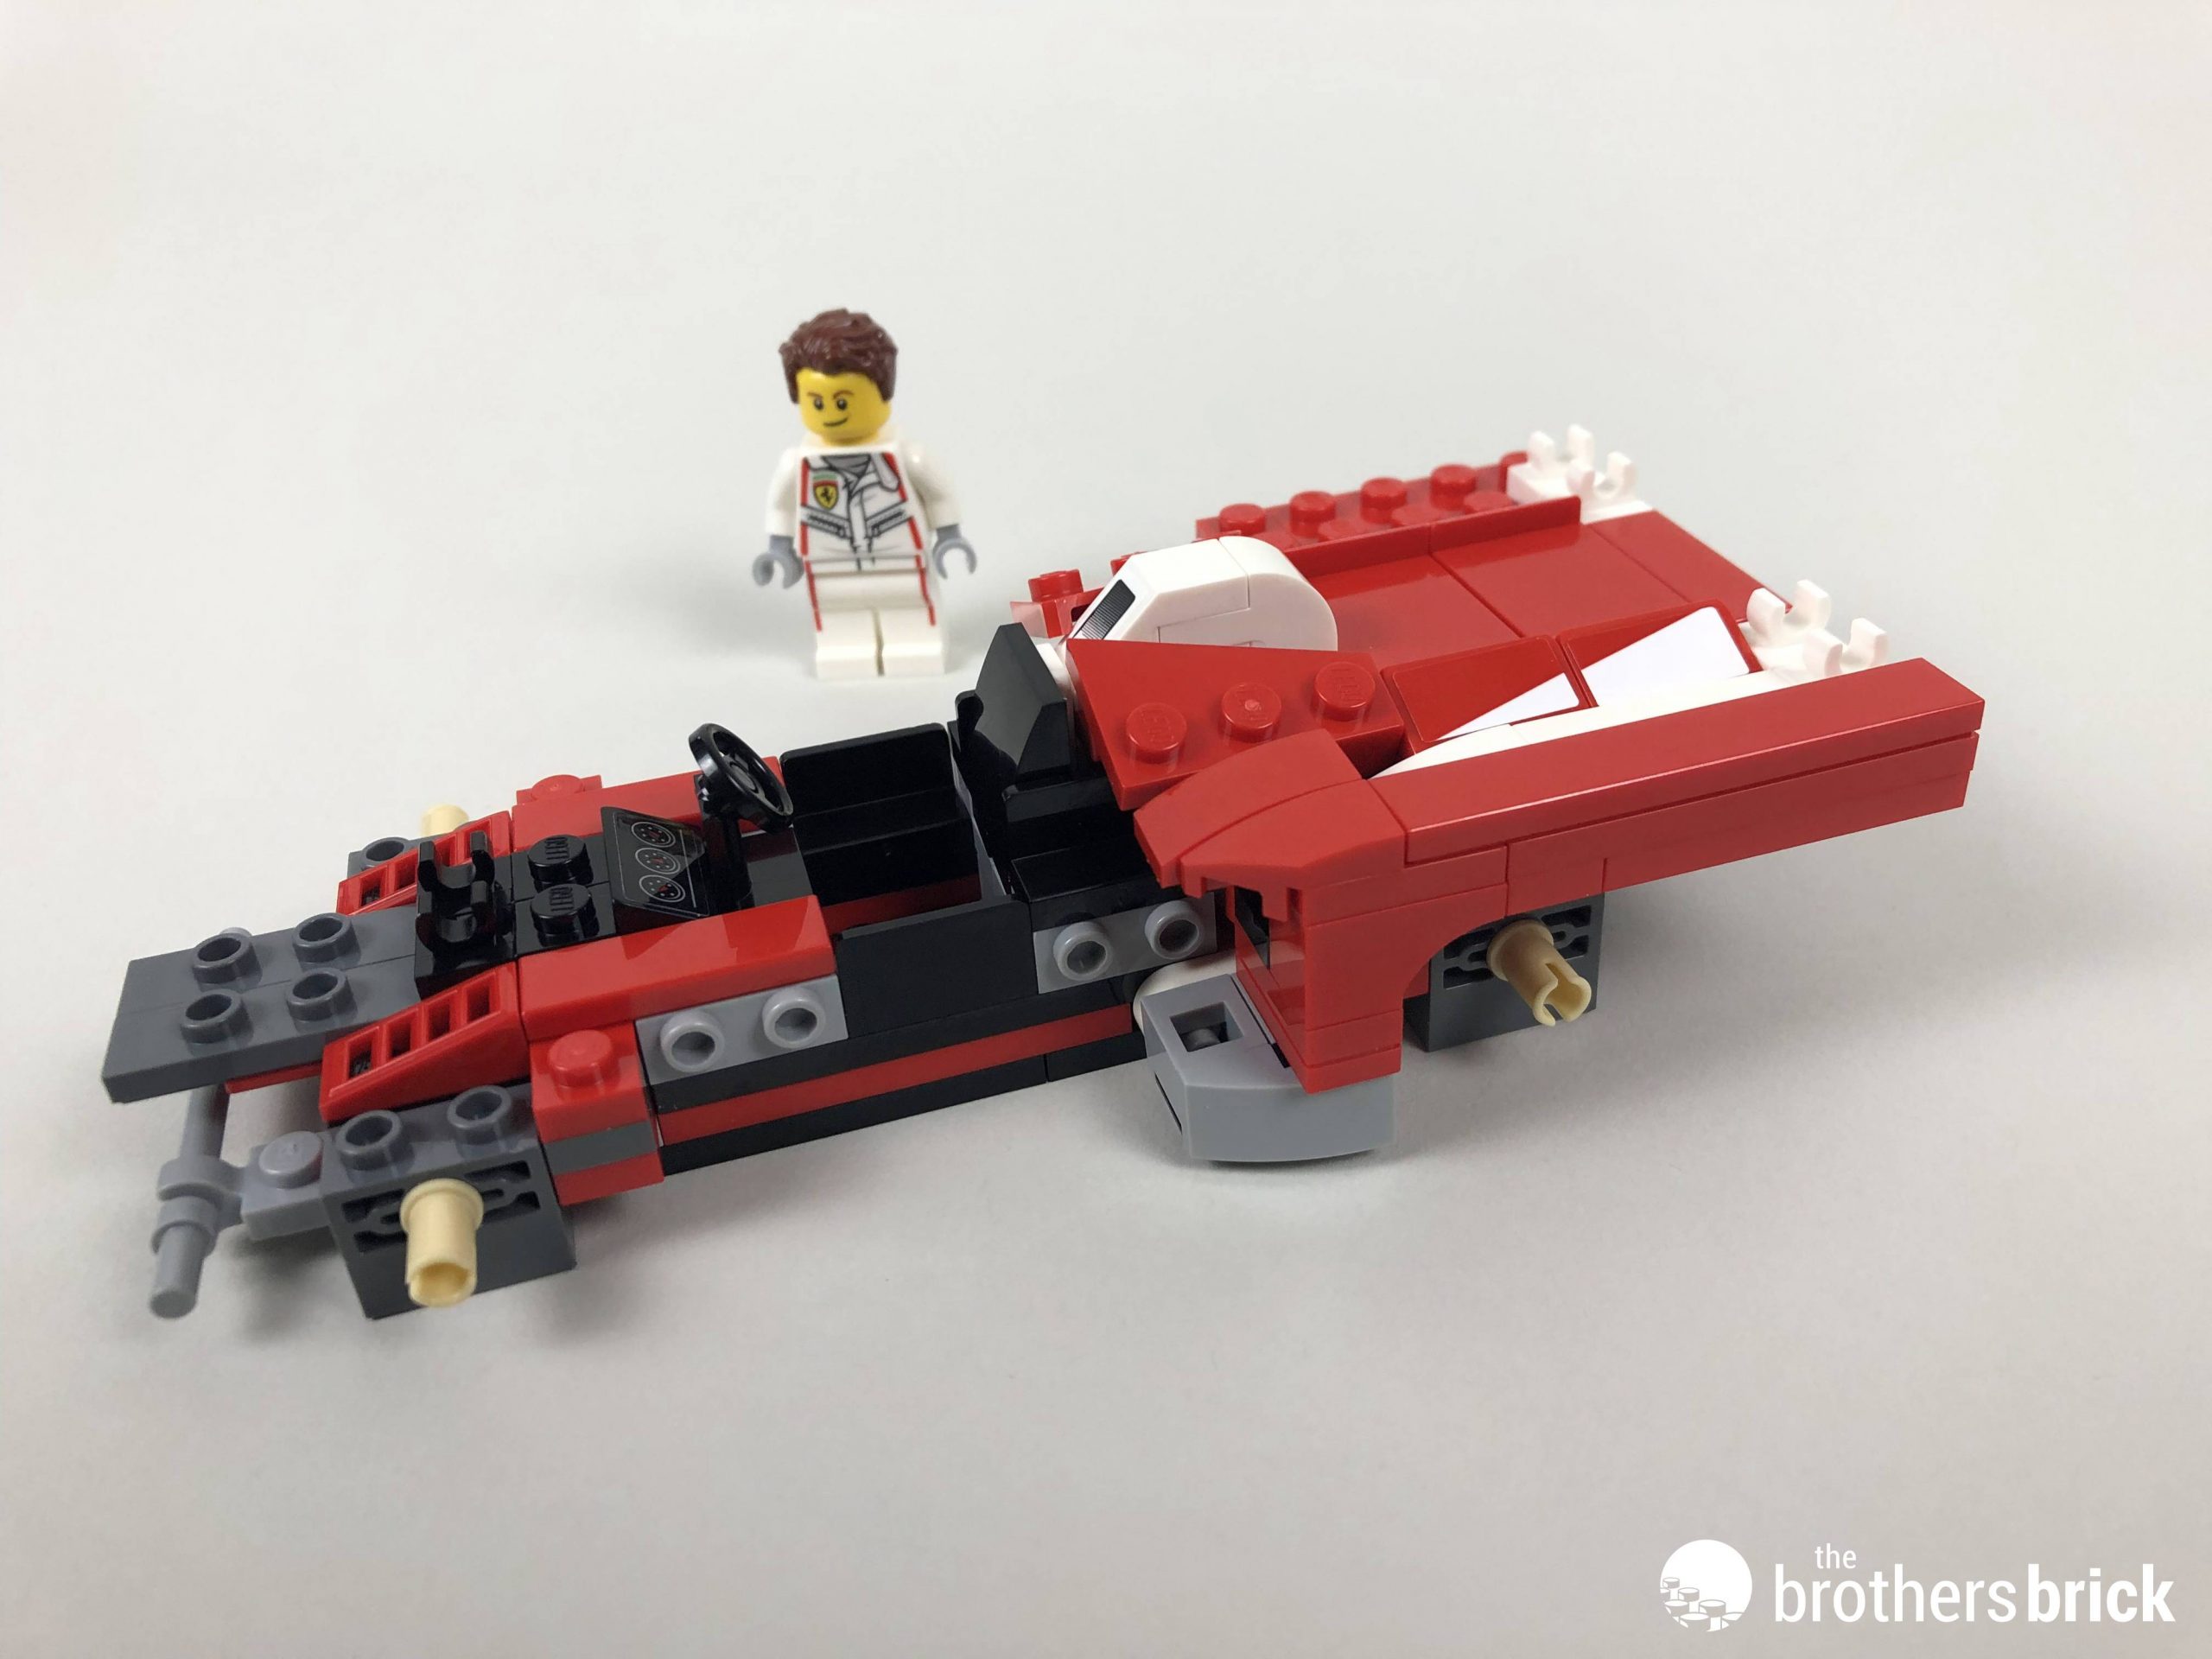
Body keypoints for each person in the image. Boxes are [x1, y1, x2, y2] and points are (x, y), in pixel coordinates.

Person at [754, 308, 977, 677]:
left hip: (898, 553)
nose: (830, 413)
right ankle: (845, 648)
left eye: (842, 401)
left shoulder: (905, 456)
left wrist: (949, 536)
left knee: (907, 602)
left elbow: (938, 494)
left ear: (883, 391)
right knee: (837, 609)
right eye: (817, 402)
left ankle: (916, 644)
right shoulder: (798, 463)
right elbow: (782, 507)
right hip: (829, 559)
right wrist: (779, 549)